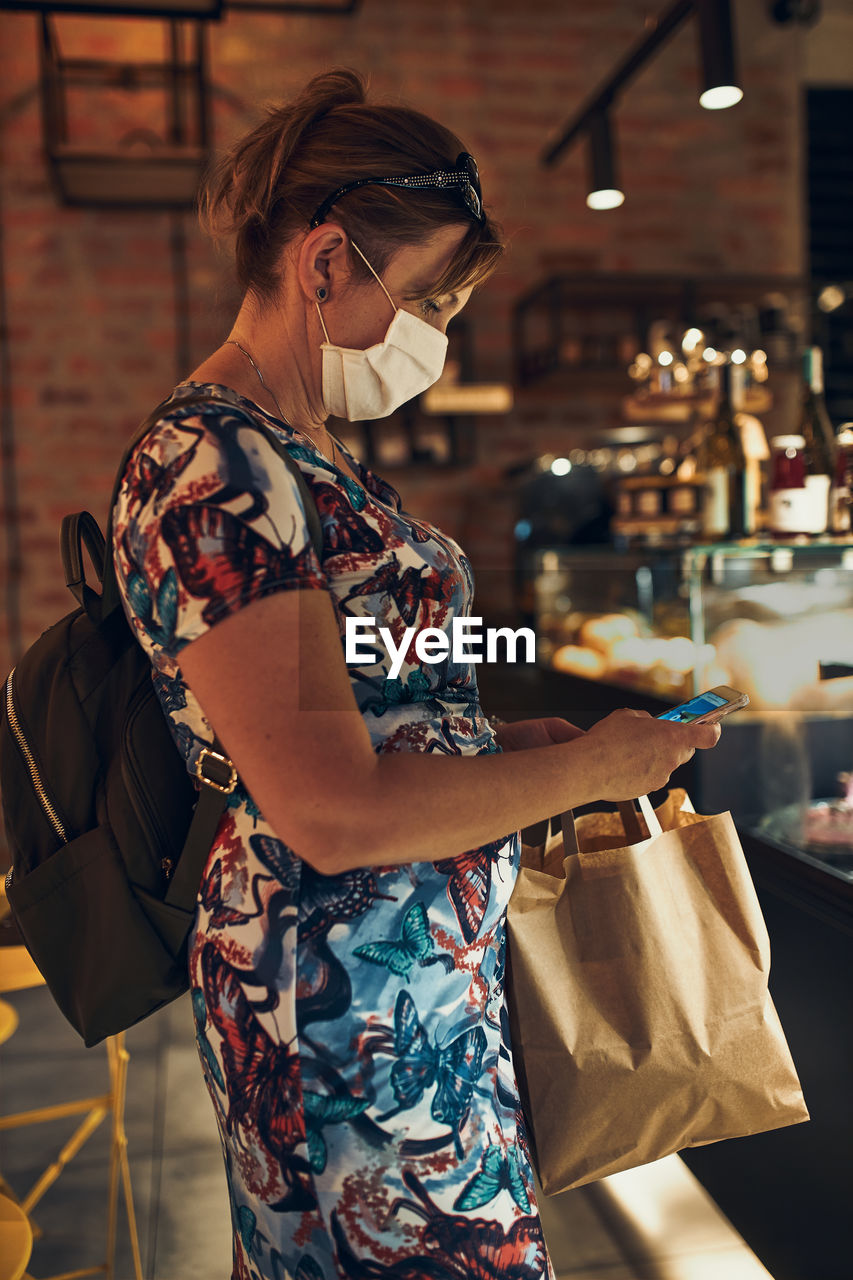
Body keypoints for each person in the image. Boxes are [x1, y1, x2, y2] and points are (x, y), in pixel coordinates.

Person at [112, 68, 720, 1280]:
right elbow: (331, 806)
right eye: (432, 295)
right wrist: (597, 766)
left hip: (411, 1000)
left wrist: (511, 744)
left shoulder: (299, 452)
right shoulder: (214, 465)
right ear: (326, 262)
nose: (437, 329)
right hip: (341, 1018)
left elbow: (372, 694)